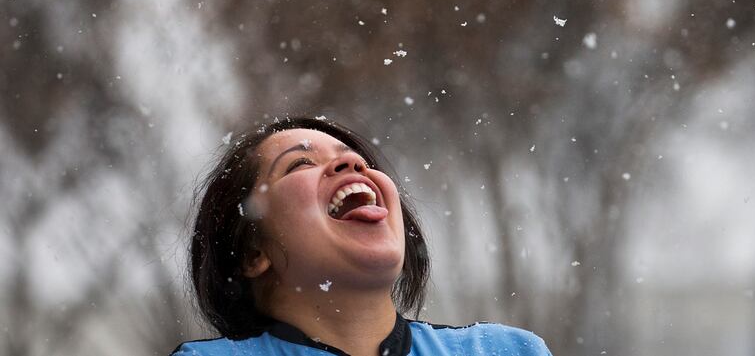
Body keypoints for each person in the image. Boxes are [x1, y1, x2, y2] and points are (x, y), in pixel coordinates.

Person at [171, 116, 552, 356]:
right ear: (252, 253)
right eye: (300, 163)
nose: (353, 163)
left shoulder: (505, 351)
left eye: (360, 160)